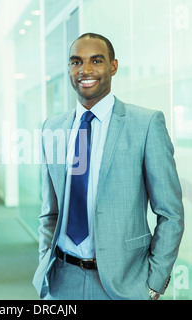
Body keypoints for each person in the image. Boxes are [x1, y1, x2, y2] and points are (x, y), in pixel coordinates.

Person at [32, 33, 184, 300]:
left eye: (96, 60)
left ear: (113, 66)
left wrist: (153, 284)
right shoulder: (52, 128)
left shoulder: (145, 124)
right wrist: (45, 262)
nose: (85, 70)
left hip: (123, 285)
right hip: (61, 281)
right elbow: (49, 212)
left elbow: (170, 214)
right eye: (76, 62)